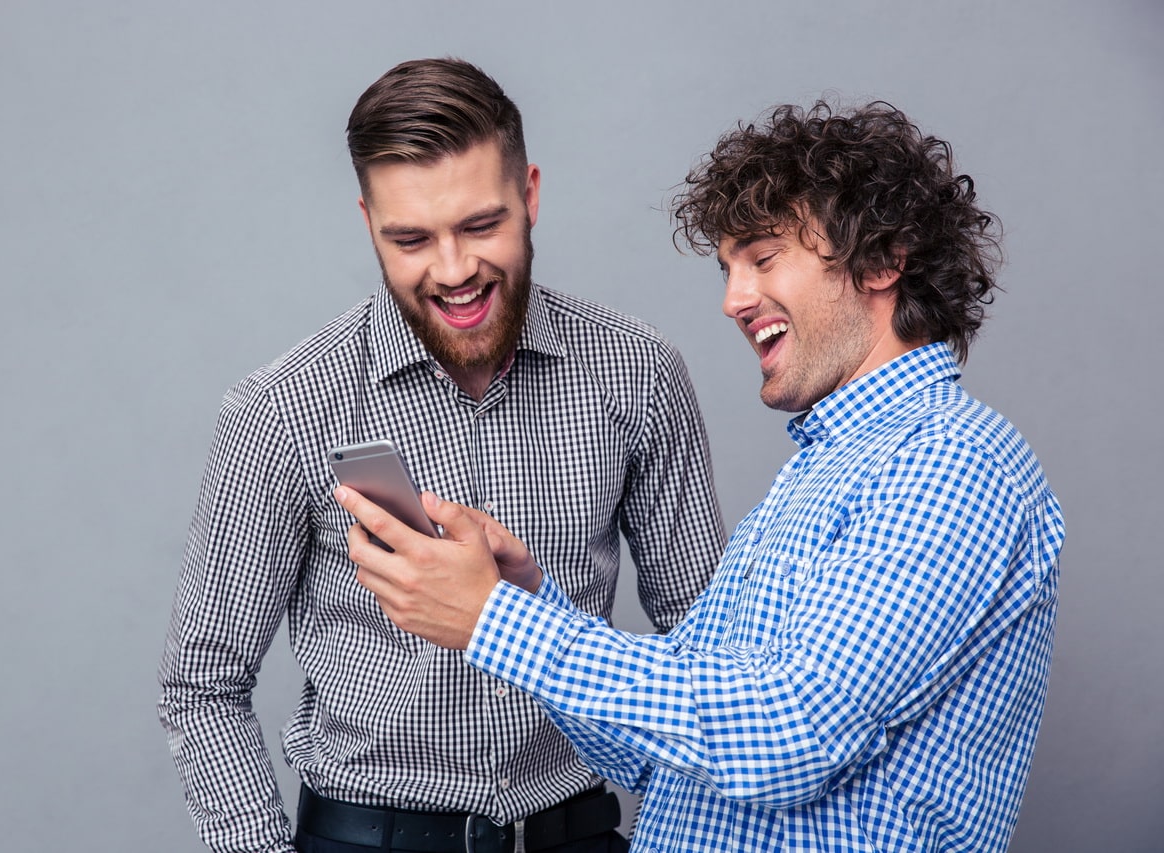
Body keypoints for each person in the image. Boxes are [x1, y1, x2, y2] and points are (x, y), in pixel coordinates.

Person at [336, 99, 1065, 852]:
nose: (733, 300)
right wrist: (529, 598)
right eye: (728, 269)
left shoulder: (952, 462)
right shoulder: (823, 471)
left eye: (763, 257)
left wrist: (499, 621)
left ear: (882, 260)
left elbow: (792, 733)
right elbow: (663, 759)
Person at [157, 57, 725, 853]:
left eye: (480, 224)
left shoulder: (639, 373)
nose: (455, 270)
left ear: (530, 195)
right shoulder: (282, 408)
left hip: (581, 831)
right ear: (368, 223)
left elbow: (709, 649)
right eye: (412, 238)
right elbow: (202, 685)